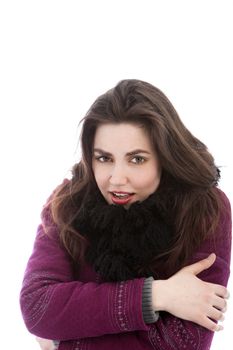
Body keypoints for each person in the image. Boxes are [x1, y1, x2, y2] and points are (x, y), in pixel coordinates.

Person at [20, 79, 232, 350]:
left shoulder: (205, 209)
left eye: (137, 159)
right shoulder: (68, 202)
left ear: (165, 157)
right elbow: (37, 308)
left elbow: (184, 342)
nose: (117, 179)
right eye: (104, 158)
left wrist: (63, 336)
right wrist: (156, 295)